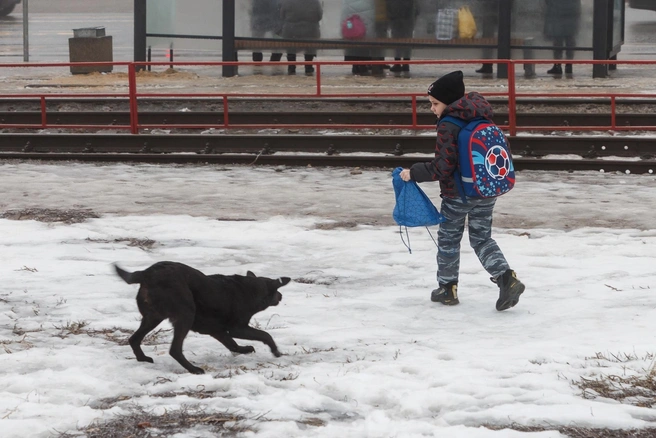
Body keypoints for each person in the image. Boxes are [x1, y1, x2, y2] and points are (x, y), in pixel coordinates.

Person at [398, 70, 525, 311]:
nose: (432, 109)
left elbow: (443, 166)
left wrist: (414, 172)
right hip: (486, 190)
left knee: (448, 239)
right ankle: (507, 278)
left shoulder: (448, 123)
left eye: (435, 103)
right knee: (482, 238)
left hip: (457, 195)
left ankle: (447, 289)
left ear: (448, 101)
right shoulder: (481, 115)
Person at [279, 0, 323, 75]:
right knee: (310, 47)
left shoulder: (287, 1)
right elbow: (319, 16)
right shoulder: (314, 1)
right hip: (310, 31)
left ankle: (291, 67)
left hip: (291, 31)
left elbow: (282, 15)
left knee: (291, 47)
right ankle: (308, 67)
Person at [543, 0, 581, 76]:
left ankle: (557, 65)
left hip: (558, 13)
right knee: (570, 40)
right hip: (572, 14)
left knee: (558, 40)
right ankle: (569, 65)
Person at [385, 0, 418, 75]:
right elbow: (417, 9)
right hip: (408, 21)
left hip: (396, 20)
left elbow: (388, 7)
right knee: (407, 42)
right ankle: (406, 64)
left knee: (397, 43)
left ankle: (398, 63)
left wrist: (391, 17)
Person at [250, 0, 283, 66]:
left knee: (257, 44)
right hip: (274, 21)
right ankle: (274, 61)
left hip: (259, 22)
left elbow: (253, 9)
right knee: (278, 41)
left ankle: (257, 61)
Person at [474, 0, 499, 76]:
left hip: (491, 17)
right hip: (490, 17)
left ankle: (487, 66)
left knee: (488, 41)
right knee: (486, 41)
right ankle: (486, 65)